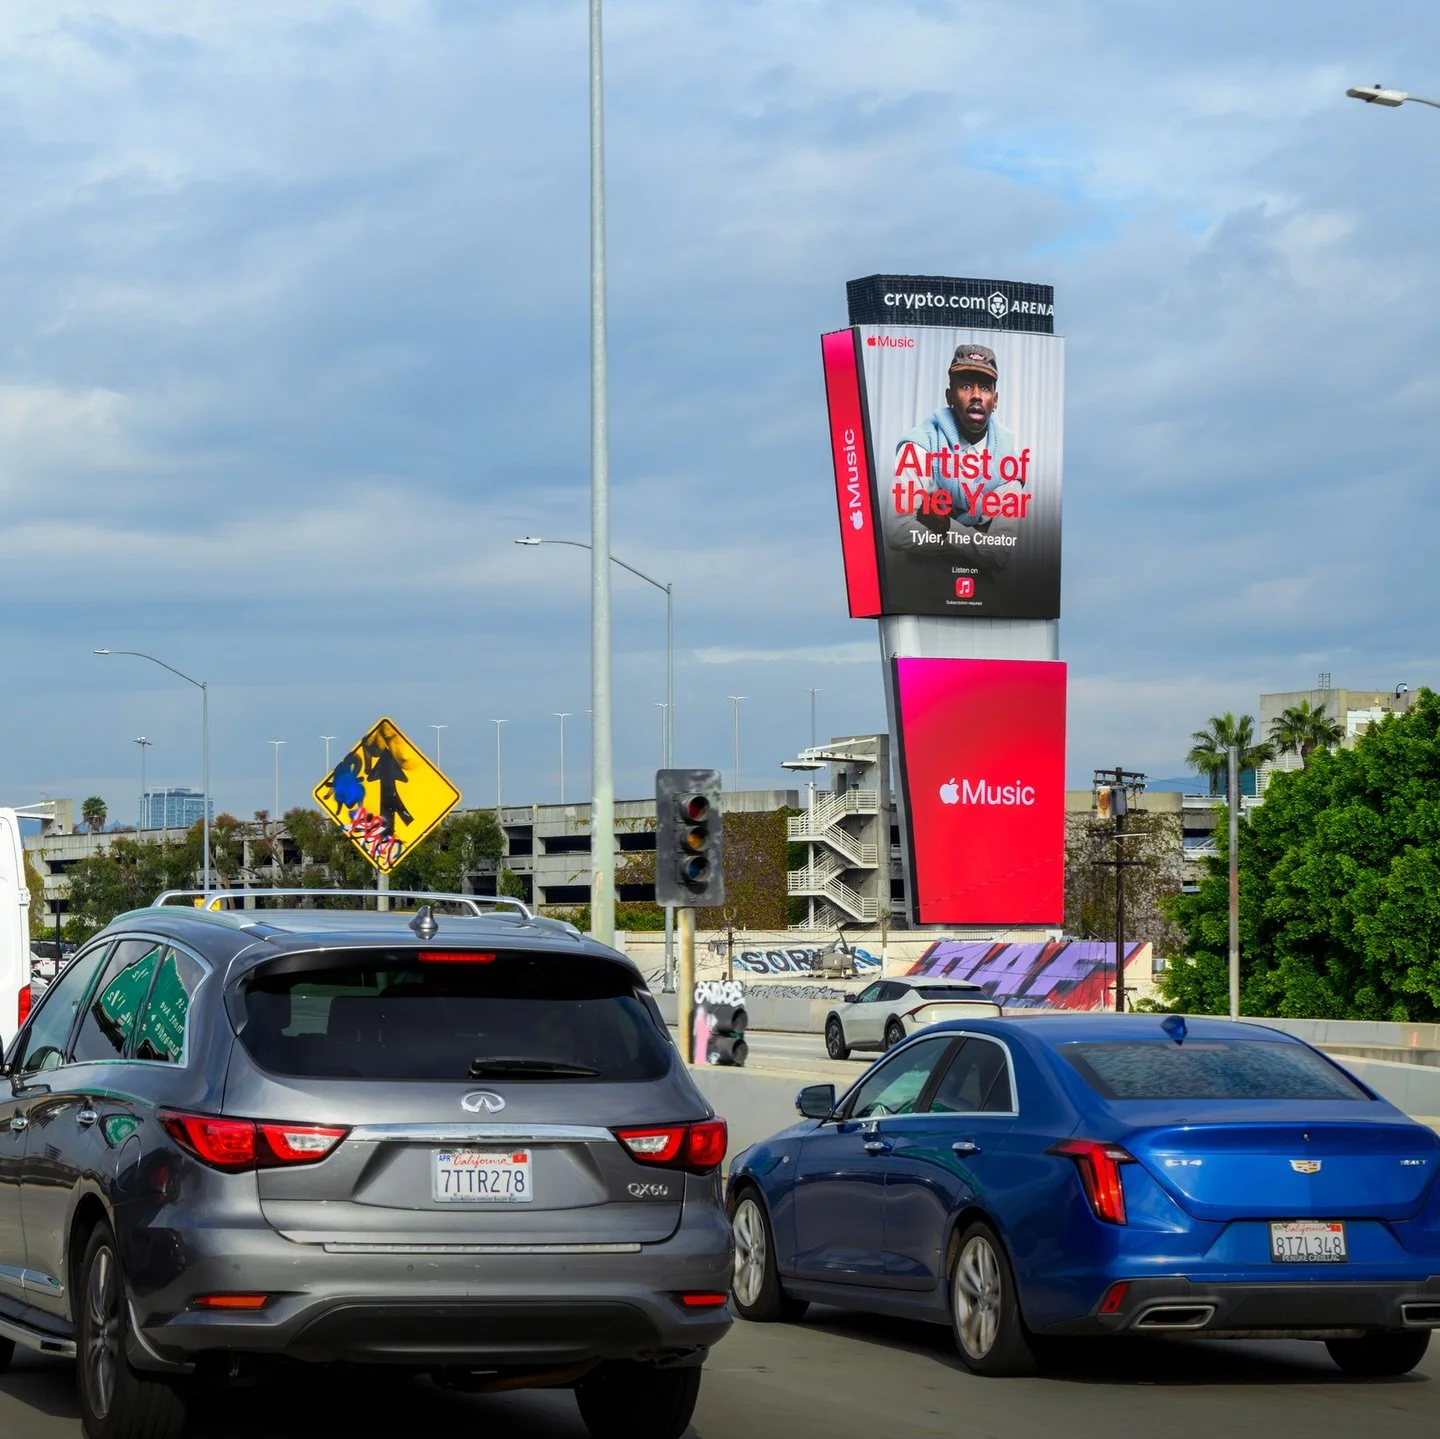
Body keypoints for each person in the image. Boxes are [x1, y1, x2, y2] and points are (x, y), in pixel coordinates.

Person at [883, 343, 1027, 566]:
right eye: (966, 386)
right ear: (950, 396)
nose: (976, 396)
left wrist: (946, 526)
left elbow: (999, 555)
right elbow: (896, 531)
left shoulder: (1009, 467)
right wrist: (976, 538)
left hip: (980, 587)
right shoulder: (918, 449)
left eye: (985, 388)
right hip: (918, 583)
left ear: (995, 400)